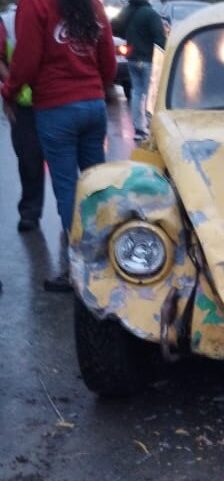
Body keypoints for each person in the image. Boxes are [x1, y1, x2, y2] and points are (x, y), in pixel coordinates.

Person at [1, 0, 117, 292]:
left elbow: (26, 60)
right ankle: (108, 259)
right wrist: (93, 88)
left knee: (68, 188)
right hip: (93, 105)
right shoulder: (92, 4)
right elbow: (108, 59)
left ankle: (78, 269)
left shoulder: (34, 5)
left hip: (56, 107)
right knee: (96, 184)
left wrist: (9, 92)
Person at [0, 7, 45, 233]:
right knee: (29, 161)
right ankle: (30, 213)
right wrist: (11, 87)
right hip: (24, 103)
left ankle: (69, 216)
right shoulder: (7, 21)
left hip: (51, 99)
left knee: (60, 163)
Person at [112, 0, 165, 141]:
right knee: (151, 94)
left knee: (136, 92)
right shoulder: (150, 14)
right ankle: (151, 126)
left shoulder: (127, 11)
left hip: (132, 59)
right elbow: (160, 38)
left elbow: (114, 27)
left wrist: (128, 36)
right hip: (148, 59)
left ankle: (138, 129)